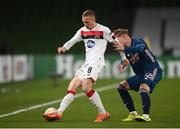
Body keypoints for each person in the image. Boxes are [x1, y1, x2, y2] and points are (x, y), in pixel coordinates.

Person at [43, 10, 125, 122]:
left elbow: (118, 44)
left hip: (96, 62)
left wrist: (124, 59)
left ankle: (103, 113)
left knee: (86, 88)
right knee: (72, 86)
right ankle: (59, 112)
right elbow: (73, 40)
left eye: (86, 22)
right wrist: (64, 47)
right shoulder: (82, 31)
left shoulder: (104, 30)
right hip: (87, 62)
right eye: (83, 22)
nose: (85, 24)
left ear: (93, 19)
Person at [113, 29, 162, 122]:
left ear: (124, 37)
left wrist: (124, 49)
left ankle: (146, 116)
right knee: (121, 87)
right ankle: (133, 113)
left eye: (117, 39)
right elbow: (127, 60)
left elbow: (140, 49)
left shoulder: (138, 41)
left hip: (153, 69)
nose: (116, 42)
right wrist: (122, 64)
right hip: (141, 74)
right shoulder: (126, 50)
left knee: (143, 87)